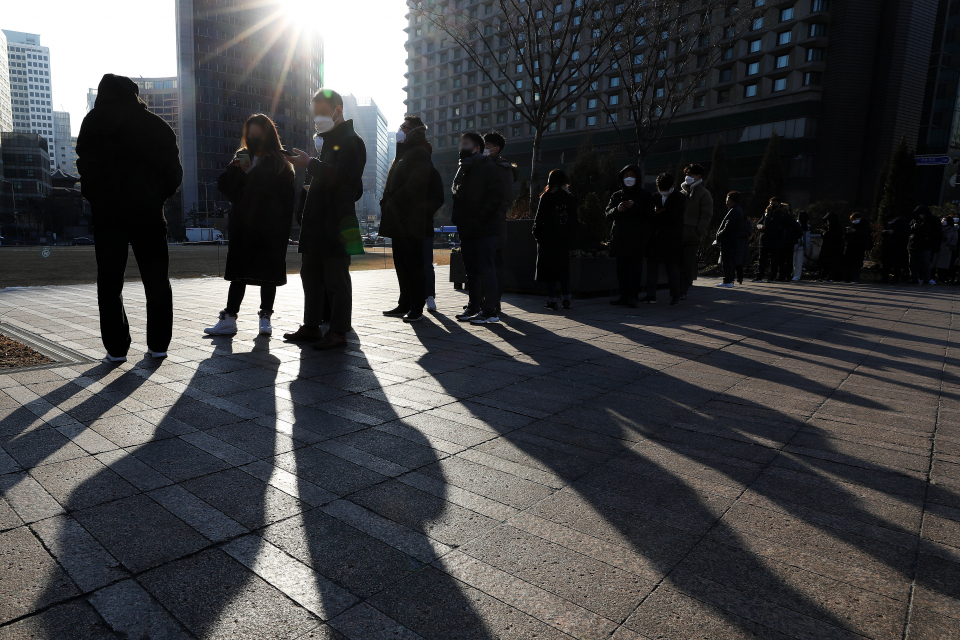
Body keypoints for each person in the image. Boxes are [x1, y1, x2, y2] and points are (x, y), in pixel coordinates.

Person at [76, 73, 183, 363]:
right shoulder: (157, 126)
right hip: (148, 213)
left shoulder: (93, 122)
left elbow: (85, 166)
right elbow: (174, 173)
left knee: (110, 283)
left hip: (109, 215)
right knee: (157, 280)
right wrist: (155, 197)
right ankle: (159, 345)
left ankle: (116, 348)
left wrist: (97, 197)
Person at [284, 88, 366, 349]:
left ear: (338, 111)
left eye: (321, 112)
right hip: (319, 225)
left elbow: (343, 177)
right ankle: (311, 327)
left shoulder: (353, 141)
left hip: (337, 225)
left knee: (336, 281)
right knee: (311, 277)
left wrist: (310, 164)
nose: (316, 118)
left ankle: (338, 332)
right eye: (314, 112)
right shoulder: (328, 142)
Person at [204, 115, 295, 336]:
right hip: (243, 225)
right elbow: (227, 189)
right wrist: (234, 170)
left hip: (270, 227)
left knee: (268, 273)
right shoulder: (241, 156)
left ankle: (266, 317)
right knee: (239, 272)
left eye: (258, 134)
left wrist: (254, 172)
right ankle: (230, 318)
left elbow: (283, 195)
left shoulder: (280, 162)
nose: (254, 138)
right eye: (250, 134)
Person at [379, 116, 440, 323]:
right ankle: (404, 302)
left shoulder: (419, 153)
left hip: (410, 221)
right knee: (401, 265)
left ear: (413, 131)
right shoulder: (402, 154)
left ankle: (416, 307)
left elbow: (417, 183)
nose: (400, 130)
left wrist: (395, 200)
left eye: (403, 127)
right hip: (398, 220)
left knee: (413, 266)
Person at [451, 132, 504, 324]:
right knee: (471, 271)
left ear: (477, 148)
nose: (461, 147)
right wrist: (458, 218)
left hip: (484, 229)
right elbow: (457, 197)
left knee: (486, 270)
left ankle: (490, 311)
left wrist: (480, 218)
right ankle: (473, 306)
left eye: (466, 144)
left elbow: (496, 198)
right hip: (467, 230)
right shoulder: (463, 169)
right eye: (460, 143)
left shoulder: (488, 168)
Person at [605, 165, 653, 307]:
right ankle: (623, 295)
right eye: (626, 175)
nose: (629, 178)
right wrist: (617, 209)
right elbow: (607, 214)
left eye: (632, 175)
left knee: (634, 269)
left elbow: (649, 214)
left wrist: (635, 206)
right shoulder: (617, 195)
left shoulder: (645, 195)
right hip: (619, 238)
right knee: (621, 269)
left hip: (637, 239)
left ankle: (633, 296)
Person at [533, 170, 578, 310]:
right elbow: (574, 221)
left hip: (548, 240)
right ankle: (566, 299)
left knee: (549, 272)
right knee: (564, 271)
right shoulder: (570, 198)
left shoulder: (546, 197)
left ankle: (551, 300)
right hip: (563, 240)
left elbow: (539, 219)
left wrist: (537, 235)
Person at [484, 131, 517, 315]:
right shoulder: (480, 164)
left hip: (494, 224)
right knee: (483, 264)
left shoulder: (503, 168)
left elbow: (506, 199)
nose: (483, 148)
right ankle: (483, 301)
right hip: (480, 223)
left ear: (496, 149)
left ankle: (494, 302)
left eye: (486, 145)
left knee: (495, 264)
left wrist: (491, 214)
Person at [642, 173, 684, 303]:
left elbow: (676, 217)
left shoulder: (680, 197)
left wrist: (661, 214)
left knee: (672, 267)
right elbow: (648, 215)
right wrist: (654, 212)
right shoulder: (654, 196)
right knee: (652, 267)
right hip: (655, 238)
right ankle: (651, 295)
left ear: (673, 186)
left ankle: (675, 295)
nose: (662, 191)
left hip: (671, 238)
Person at [679, 163, 713, 298]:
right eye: (686, 174)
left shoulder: (703, 194)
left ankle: (683, 290)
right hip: (678, 234)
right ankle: (676, 288)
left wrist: (698, 232)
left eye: (690, 175)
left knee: (687, 264)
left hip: (691, 236)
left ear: (698, 176)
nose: (687, 177)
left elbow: (706, 215)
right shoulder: (682, 192)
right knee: (676, 263)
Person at [715, 191, 745, 289]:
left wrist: (719, 234)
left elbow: (728, 227)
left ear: (730, 201)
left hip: (729, 240)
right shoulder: (737, 210)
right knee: (729, 260)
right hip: (732, 240)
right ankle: (728, 280)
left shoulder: (734, 211)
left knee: (727, 261)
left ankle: (728, 280)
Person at [753, 199, 786, 282]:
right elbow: (759, 224)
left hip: (775, 240)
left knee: (774, 260)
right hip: (765, 239)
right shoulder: (766, 213)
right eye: (771, 203)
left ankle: (772, 277)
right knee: (762, 259)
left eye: (775, 203)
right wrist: (760, 227)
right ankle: (759, 276)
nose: (772, 205)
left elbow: (785, 226)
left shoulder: (782, 214)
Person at [909, 206, 941, 285]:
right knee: (913, 263)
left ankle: (926, 279)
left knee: (925, 263)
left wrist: (928, 237)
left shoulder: (934, 220)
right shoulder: (915, 220)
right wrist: (914, 227)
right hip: (914, 244)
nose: (920, 215)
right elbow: (909, 230)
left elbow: (938, 232)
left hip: (926, 244)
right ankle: (914, 279)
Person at [841, 212, 872, 283]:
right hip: (850, 246)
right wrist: (848, 233)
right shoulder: (852, 225)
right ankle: (846, 277)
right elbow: (846, 237)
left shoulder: (865, 226)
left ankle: (854, 278)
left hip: (859, 247)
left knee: (857, 263)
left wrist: (856, 232)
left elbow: (866, 235)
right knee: (848, 263)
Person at [879, 213, 910, 283]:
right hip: (887, 245)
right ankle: (885, 277)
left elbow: (905, 234)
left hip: (897, 245)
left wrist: (894, 232)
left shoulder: (903, 224)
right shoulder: (889, 224)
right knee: (886, 262)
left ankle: (896, 278)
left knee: (896, 262)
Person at [817, 211, 843, 282]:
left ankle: (830, 277)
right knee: (824, 263)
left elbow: (834, 236)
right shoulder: (828, 227)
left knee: (831, 263)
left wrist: (825, 233)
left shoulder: (837, 228)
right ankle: (823, 276)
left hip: (834, 248)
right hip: (827, 247)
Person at [935, 217, 958, 283]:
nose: (943, 221)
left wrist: (949, 246)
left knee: (943, 265)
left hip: (946, 249)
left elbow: (954, 240)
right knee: (935, 264)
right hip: (938, 249)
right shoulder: (939, 228)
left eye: (945, 220)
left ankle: (942, 278)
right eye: (942, 220)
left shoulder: (953, 230)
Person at [789, 210, 809, 282]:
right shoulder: (799, 225)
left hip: (800, 246)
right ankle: (794, 275)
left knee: (797, 262)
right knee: (796, 261)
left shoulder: (805, 227)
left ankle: (795, 276)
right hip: (797, 245)